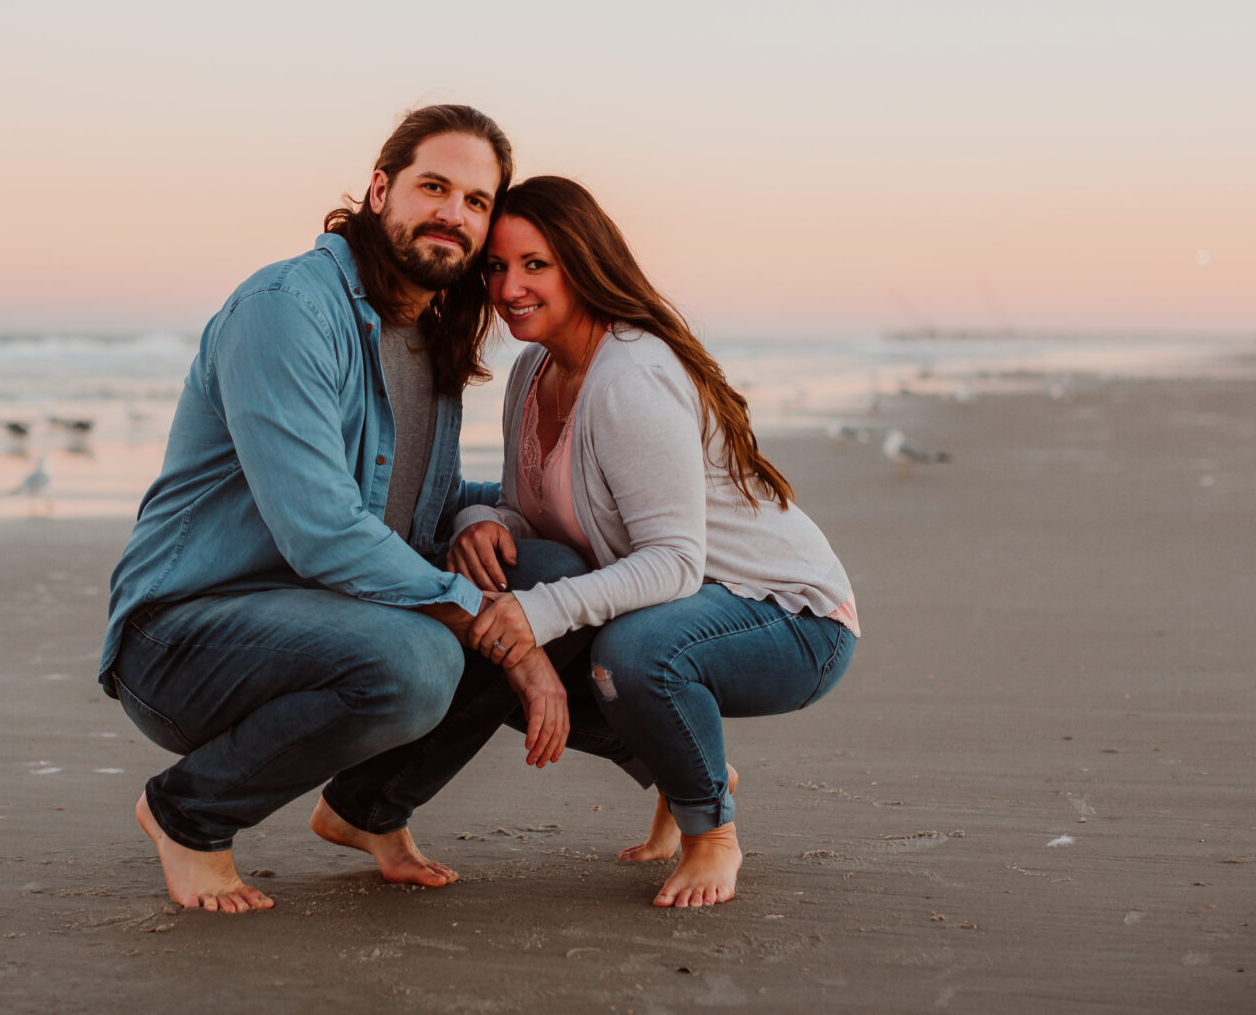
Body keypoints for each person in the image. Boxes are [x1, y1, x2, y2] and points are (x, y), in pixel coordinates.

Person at [329, 174, 859, 908]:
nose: (510, 286)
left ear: (583, 261)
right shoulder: (534, 369)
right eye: (496, 267)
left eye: (535, 264)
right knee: (511, 659)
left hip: (789, 618)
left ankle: (713, 834)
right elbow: (532, 509)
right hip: (683, 601)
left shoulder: (631, 375)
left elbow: (675, 562)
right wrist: (477, 520)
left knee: (627, 652)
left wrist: (538, 613)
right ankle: (686, 766)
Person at [98, 105, 569, 913]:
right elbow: (324, 531)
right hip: (182, 639)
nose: (454, 214)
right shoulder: (288, 310)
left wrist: (501, 519)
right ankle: (188, 814)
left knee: (546, 575)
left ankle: (366, 811)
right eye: (434, 186)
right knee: (425, 658)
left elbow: (422, 504)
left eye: (476, 201)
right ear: (380, 189)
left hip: (325, 620)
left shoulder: (430, 334)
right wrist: (495, 625)